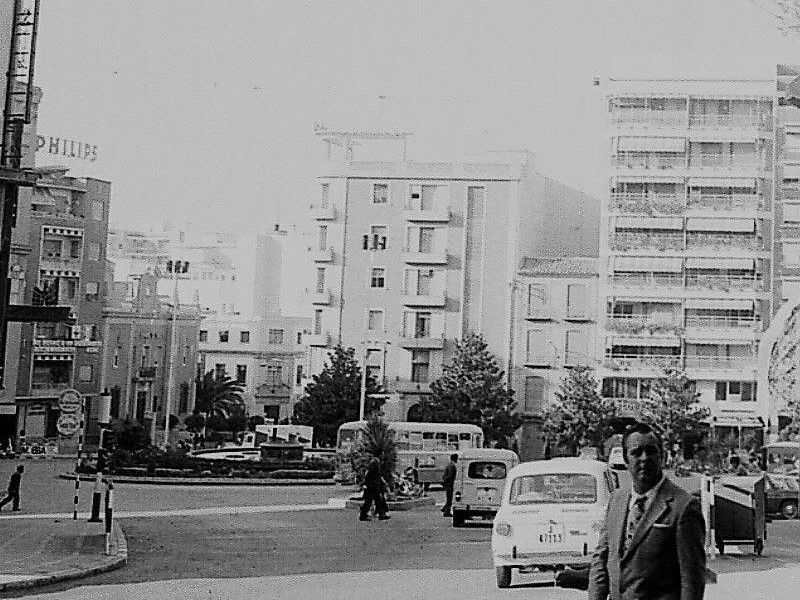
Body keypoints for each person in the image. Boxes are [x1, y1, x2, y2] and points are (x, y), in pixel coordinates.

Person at [588, 423, 706, 600]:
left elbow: (692, 580)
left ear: (662, 456)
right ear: (626, 460)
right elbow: (602, 559)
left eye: (651, 451)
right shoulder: (616, 500)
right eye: (636, 453)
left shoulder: (684, 507)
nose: (644, 458)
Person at [359, 457, 389, 522]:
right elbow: (376, 478)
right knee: (372, 502)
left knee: (376, 501)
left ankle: (381, 514)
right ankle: (364, 515)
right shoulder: (375, 469)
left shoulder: (370, 469)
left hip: (371, 487)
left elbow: (367, 478)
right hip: (373, 487)